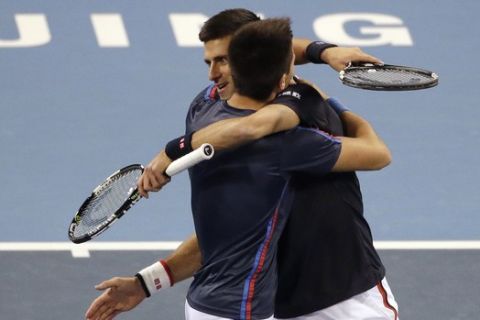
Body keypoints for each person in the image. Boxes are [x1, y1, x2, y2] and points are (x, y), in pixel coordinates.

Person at [85, 9, 396, 320]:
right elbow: (228, 234)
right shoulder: (217, 111)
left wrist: (322, 54)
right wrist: (148, 282)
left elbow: (265, 112)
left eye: (224, 59)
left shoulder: (218, 117)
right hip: (275, 305)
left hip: (343, 297)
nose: (213, 74)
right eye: (210, 61)